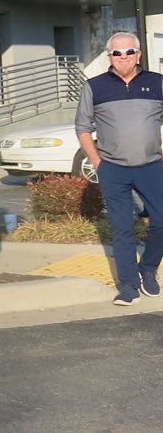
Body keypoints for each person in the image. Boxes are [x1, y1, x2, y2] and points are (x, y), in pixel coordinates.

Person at [75, 32, 163, 305]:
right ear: (109, 57)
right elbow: (82, 127)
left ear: (139, 54)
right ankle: (128, 287)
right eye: (116, 53)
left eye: (128, 52)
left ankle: (148, 268)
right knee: (122, 227)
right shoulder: (95, 87)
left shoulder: (157, 83)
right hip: (113, 168)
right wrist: (98, 162)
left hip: (152, 167)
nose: (123, 57)